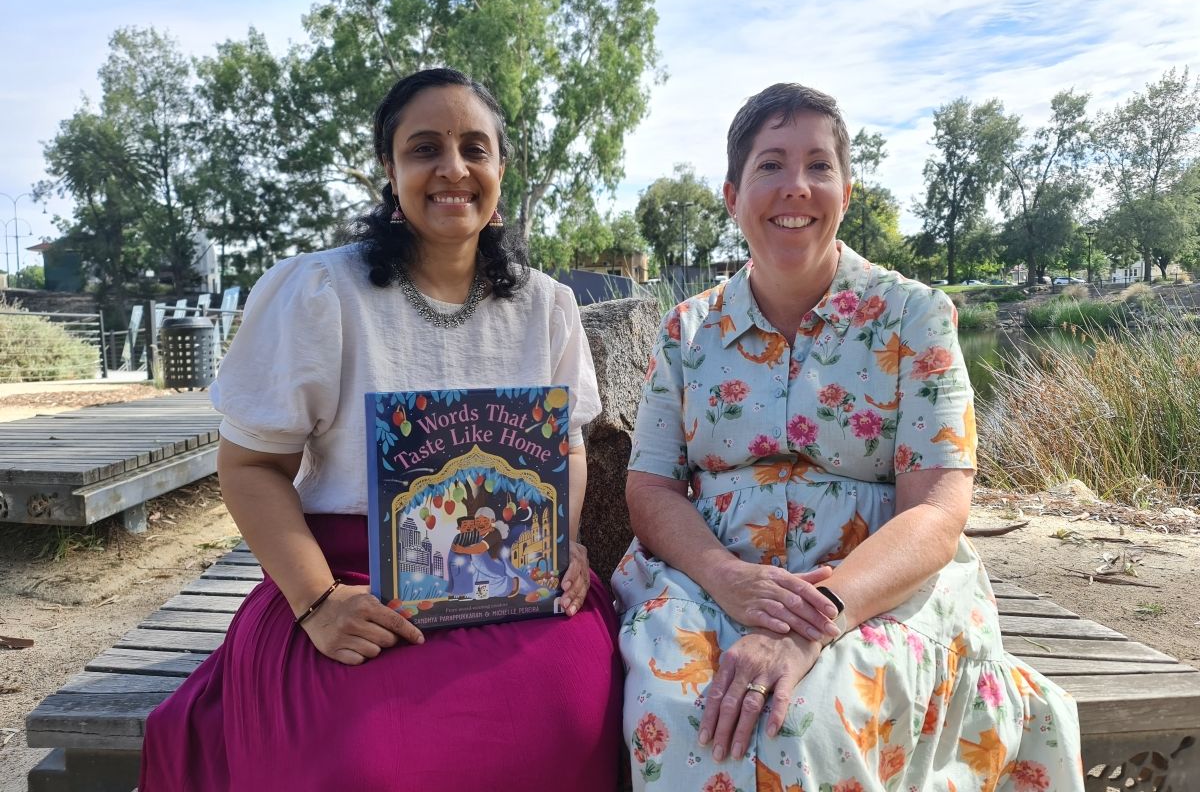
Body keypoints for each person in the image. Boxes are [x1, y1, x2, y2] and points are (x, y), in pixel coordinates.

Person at [140, 68, 621, 791]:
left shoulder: (547, 306)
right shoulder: (319, 293)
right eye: (425, 148)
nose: (452, 168)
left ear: (500, 170)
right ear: (390, 172)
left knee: (572, 716)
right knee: (369, 761)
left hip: (516, 575)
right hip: (350, 576)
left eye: (475, 148)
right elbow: (248, 467)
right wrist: (319, 604)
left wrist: (564, 541)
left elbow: (569, 446)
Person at [612, 83, 1084, 791]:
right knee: (683, 711)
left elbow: (938, 507)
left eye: (818, 165)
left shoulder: (915, 317)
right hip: (710, 576)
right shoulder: (686, 329)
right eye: (770, 165)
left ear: (847, 190)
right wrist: (729, 580)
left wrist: (818, 619)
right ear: (732, 195)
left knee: (812, 717)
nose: (795, 186)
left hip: (876, 587)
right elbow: (650, 486)